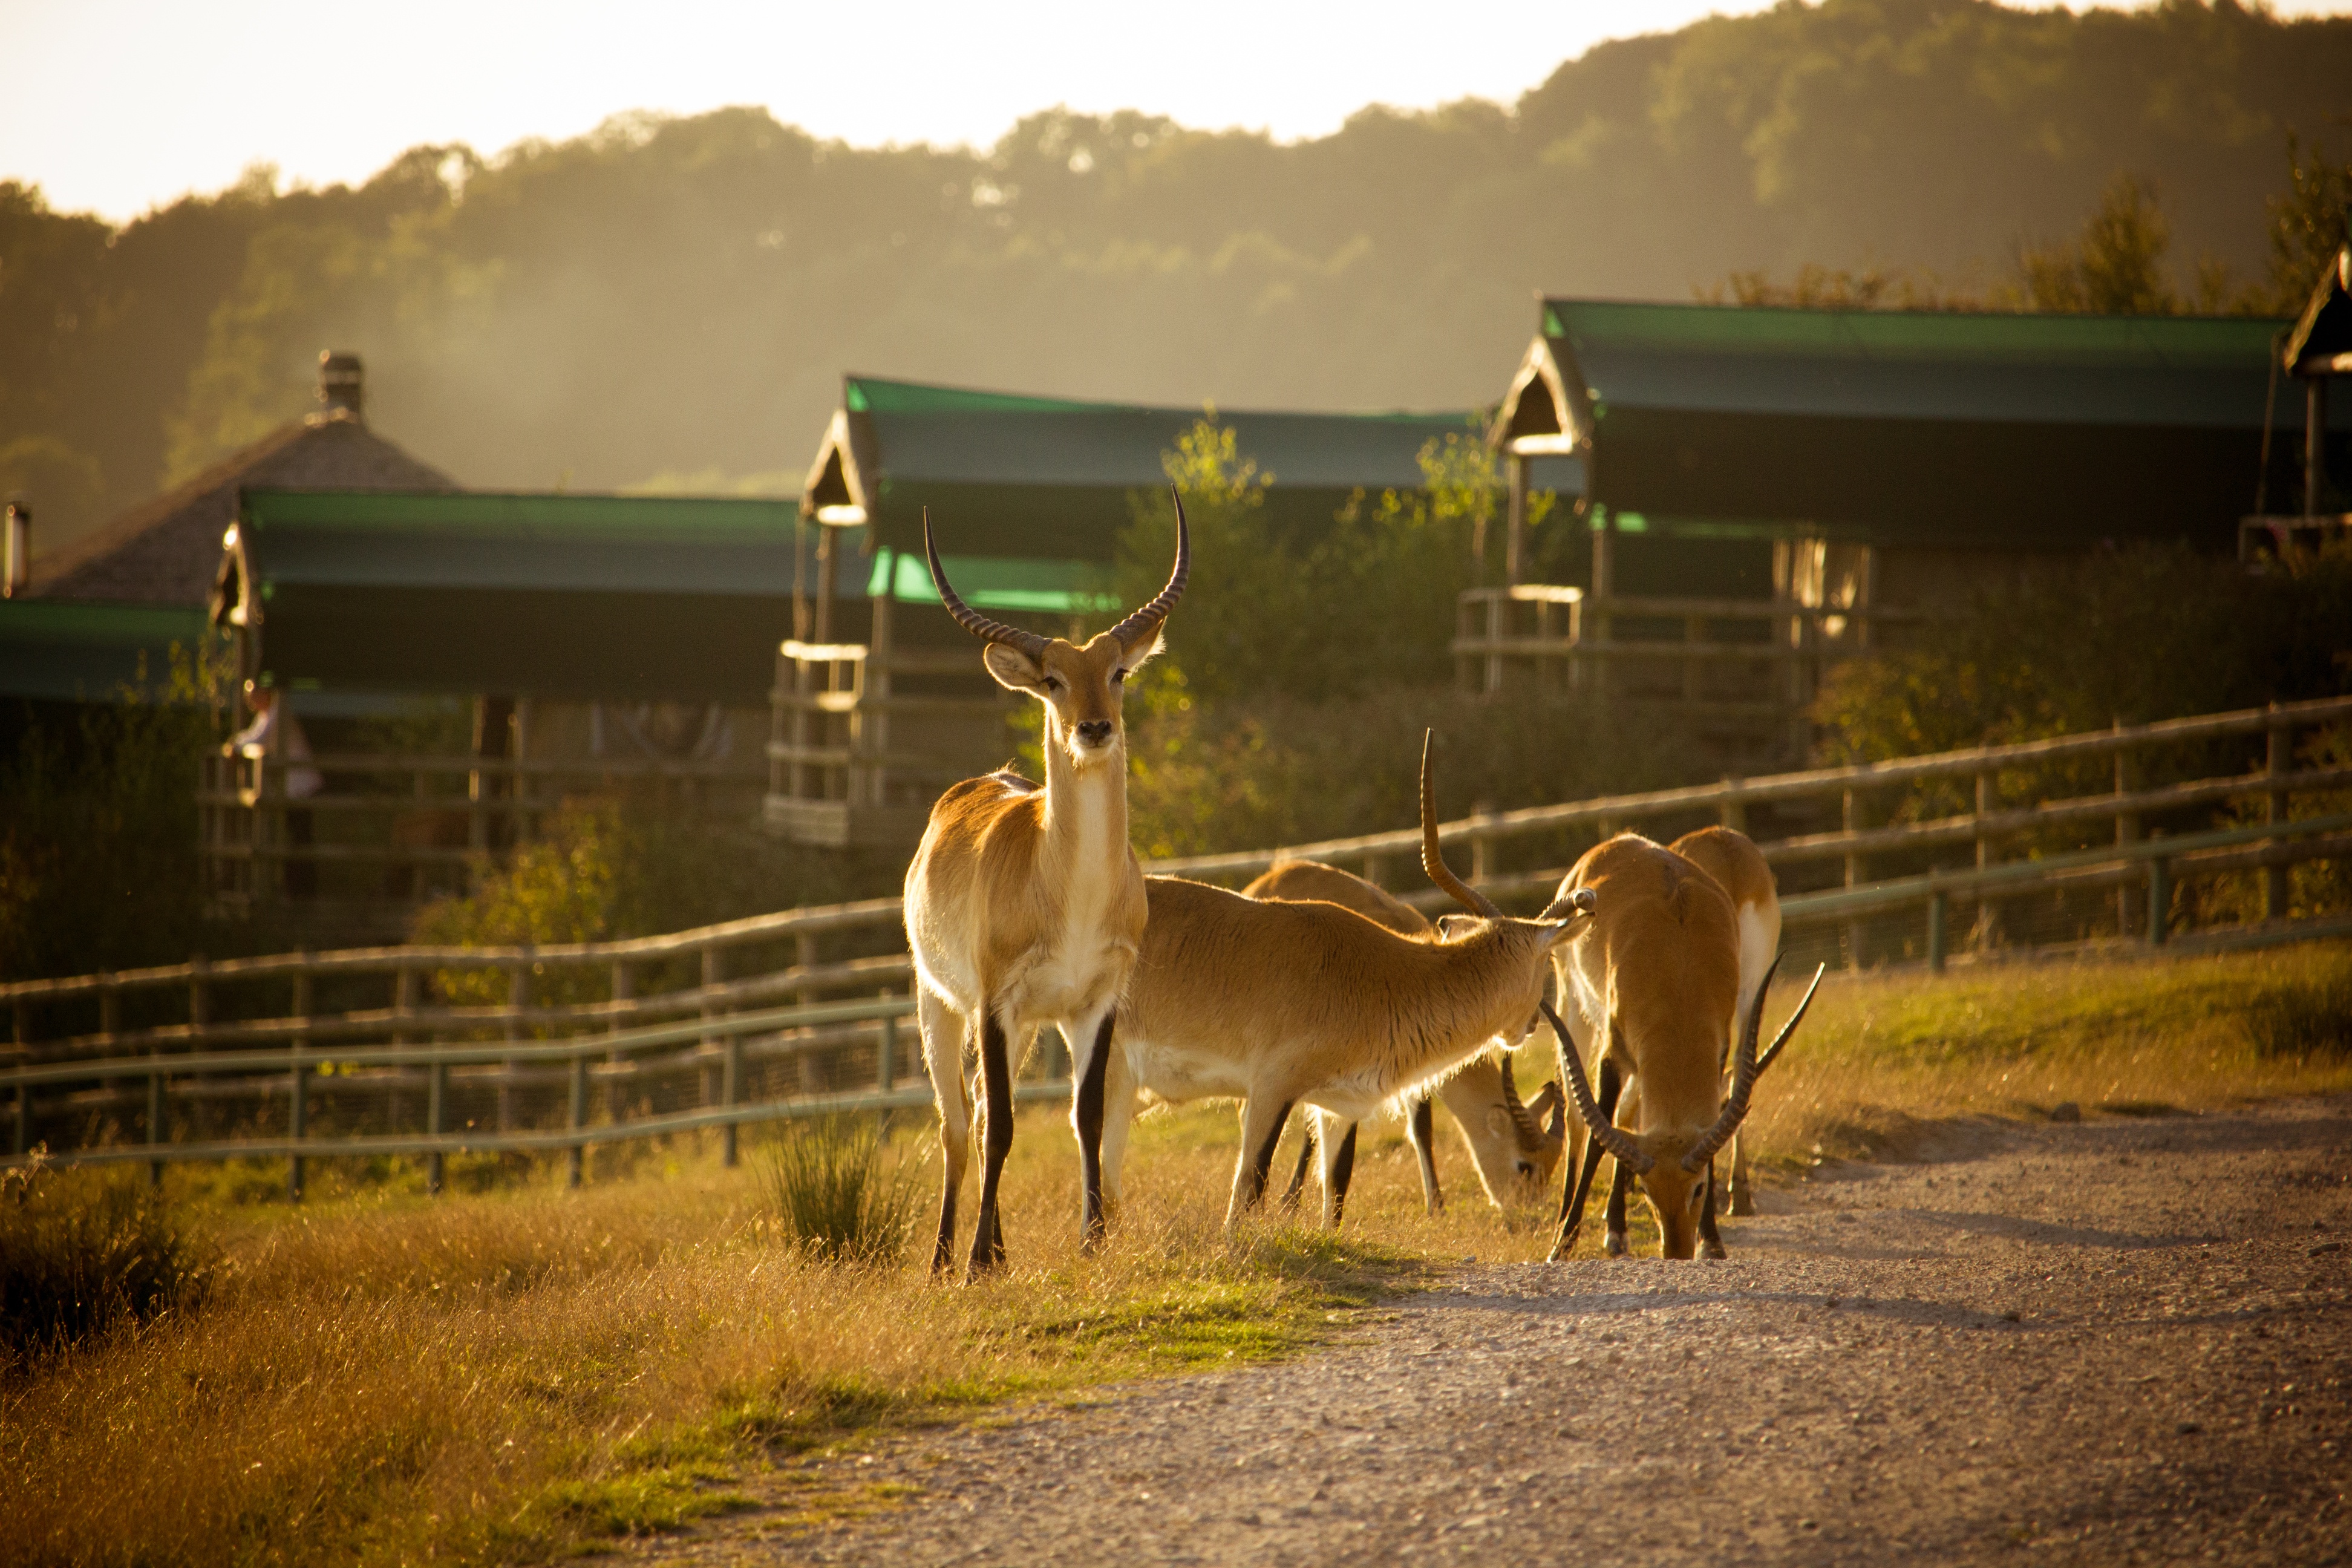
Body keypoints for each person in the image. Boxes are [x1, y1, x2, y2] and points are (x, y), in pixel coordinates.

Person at [232, 676, 323, 897]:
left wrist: (234, 747)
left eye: (253, 696)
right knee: (296, 838)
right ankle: (298, 890)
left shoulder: (277, 712)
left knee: (298, 839)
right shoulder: (268, 715)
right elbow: (253, 736)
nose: (251, 702)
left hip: (301, 787)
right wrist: (236, 744)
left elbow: (258, 739)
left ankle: (302, 892)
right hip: (294, 787)